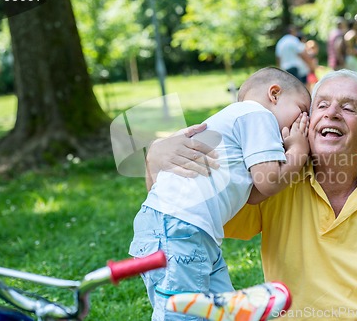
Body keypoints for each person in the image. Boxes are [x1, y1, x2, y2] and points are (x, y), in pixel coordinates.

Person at [146, 69, 357, 321]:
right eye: (321, 105)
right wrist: (155, 159)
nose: (332, 113)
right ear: (306, 122)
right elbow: (179, 217)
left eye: (348, 107)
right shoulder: (271, 181)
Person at [129, 67, 311, 320]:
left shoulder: (240, 125)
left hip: (189, 230)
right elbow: (270, 181)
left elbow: (255, 194)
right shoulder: (257, 114)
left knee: (224, 310)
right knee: (182, 313)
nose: (304, 121)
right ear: (274, 94)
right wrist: (299, 150)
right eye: (302, 110)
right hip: (180, 228)